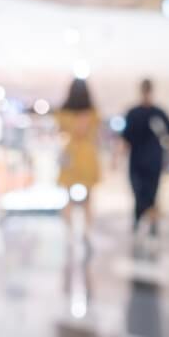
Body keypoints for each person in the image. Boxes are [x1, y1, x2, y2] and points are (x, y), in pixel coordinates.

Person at [120, 79, 169, 238]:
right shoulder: (133, 113)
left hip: (154, 160)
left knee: (152, 193)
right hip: (136, 160)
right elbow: (125, 139)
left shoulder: (159, 113)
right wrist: (116, 158)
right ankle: (140, 219)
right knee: (138, 191)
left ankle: (152, 222)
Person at [56, 78, 101, 241]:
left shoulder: (64, 113)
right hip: (87, 155)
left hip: (71, 154)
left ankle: (68, 232)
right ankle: (87, 231)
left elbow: (60, 130)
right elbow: (95, 131)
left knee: (67, 197)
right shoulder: (92, 112)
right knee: (88, 198)